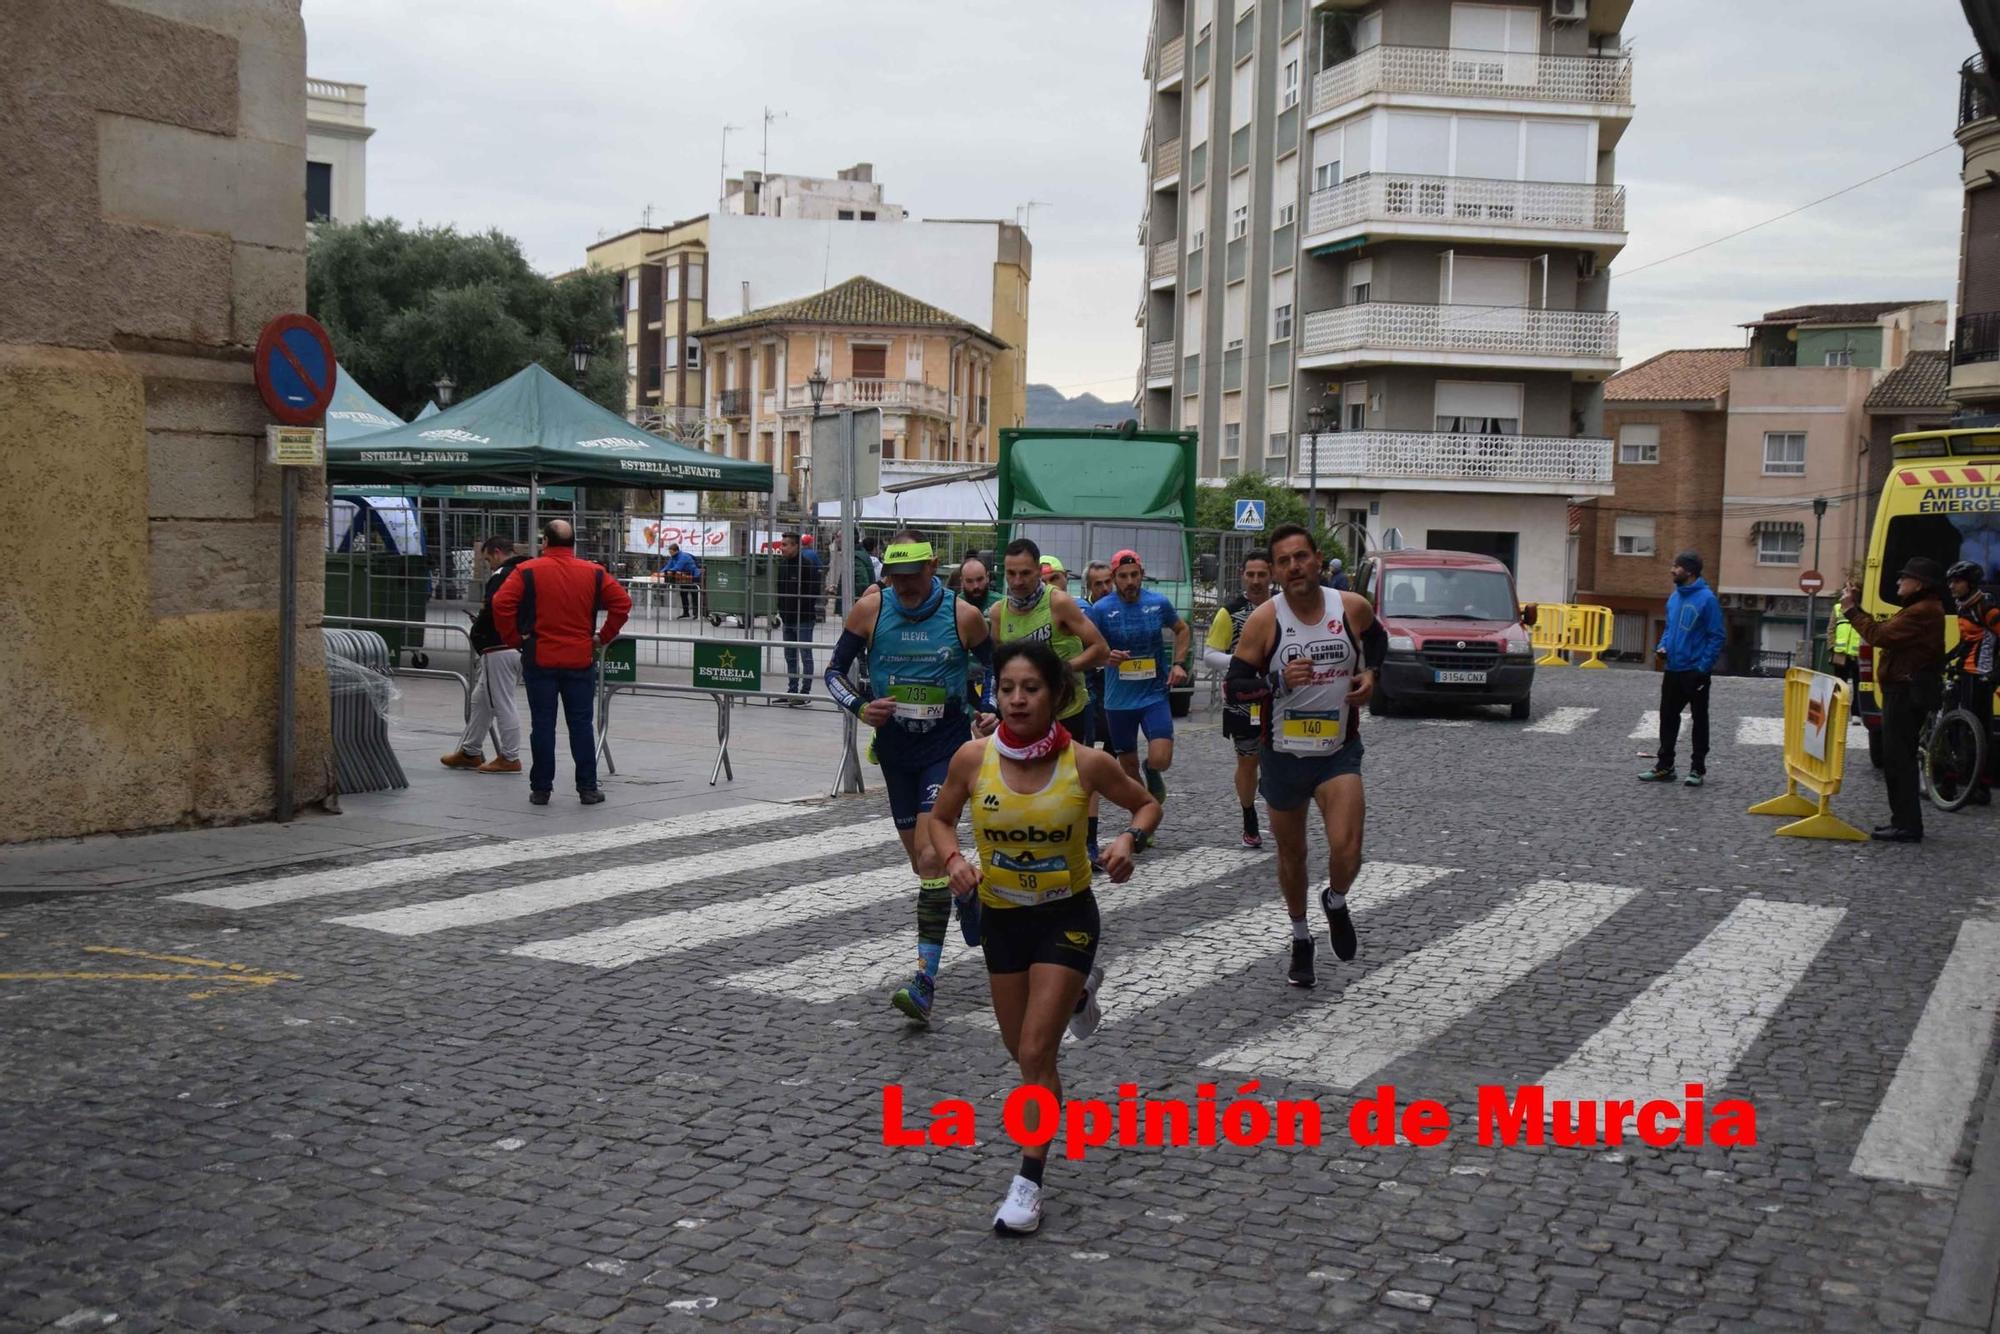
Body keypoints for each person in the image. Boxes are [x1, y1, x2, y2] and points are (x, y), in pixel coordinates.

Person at [923, 640, 1161, 1236]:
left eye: (1031, 688)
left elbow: (1146, 803)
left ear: (1055, 695)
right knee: (1025, 1053)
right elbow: (940, 818)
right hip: (1002, 919)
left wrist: (1128, 839)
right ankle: (1079, 997)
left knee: (1034, 1053)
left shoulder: (1086, 762)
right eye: (1007, 689)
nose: (1018, 699)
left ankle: (1028, 1182)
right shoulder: (972, 759)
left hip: (1067, 916)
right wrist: (952, 859)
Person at [824, 532, 997, 1022]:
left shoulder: (963, 615)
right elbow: (833, 672)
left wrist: (987, 710)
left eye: (912, 578)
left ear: (932, 568)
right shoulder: (870, 609)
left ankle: (924, 980)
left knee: (928, 855)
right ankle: (968, 893)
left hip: (946, 747)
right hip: (897, 750)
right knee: (926, 866)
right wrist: (860, 706)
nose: (904, 588)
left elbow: (995, 669)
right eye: (896, 579)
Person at [1224, 524, 1383, 987]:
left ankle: (1335, 899)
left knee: (1347, 847)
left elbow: (1378, 640)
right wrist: (1278, 683)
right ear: (1274, 571)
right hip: (1283, 754)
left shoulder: (1350, 607)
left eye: (1301, 557)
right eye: (1284, 561)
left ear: (1317, 559)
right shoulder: (1265, 621)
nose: (1294, 567)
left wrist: (1371, 674)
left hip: (1338, 752)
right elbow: (1235, 686)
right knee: (1293, 855)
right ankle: (1299, 936)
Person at [491, 520, 631, 806]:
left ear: (545, 542)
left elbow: (500, 603)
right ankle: (587, 788)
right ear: (574, 544)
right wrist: (602, 636)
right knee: (581, 724)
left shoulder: (526, 571)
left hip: (540, 656)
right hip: (579, 658)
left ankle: (541, 789)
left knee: (542, 724)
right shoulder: (594, 572)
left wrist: (515, 637)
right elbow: (622, 603)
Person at [991, 538, 1110, 861]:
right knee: (1021, 782)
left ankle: (1085, 841)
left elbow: (1100, 649)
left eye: (1025, 574)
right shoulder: (999, 612)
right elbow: (997, 668)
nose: (1017, 581)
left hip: (1067, 710)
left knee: (1071, 784)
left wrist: (1061, 671)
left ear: (1039, 573)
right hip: (1023, 717)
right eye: (1011, 574)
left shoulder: (1059, 603)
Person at [1840, 557, 1948, 843]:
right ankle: (1902, 821)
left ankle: (1907, 825)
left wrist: (1851, 611)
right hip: (1903, 688)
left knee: (1898, 758)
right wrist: (1858, 607)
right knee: (1897, 757)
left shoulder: (1922, 611)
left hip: (1905, 691)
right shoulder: (1920, 608)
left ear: (1920, 584)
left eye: (1905, 577)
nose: (1899, 581)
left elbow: (1879, 635)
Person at [1090, 549, 1189, 835]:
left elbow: (1182, 630)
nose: (1130, 581)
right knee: (1128, 767)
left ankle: (1153, 770)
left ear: (1142, 575)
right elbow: (1090, 647)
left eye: (1134, 575)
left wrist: (1179, 663)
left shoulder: (1158, 603)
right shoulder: (1101, 609)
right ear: (1114, 578)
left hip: (1153, 694)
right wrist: (1106, 656)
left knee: (1161, 757)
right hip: (1119, 700)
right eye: (1123, 577)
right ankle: (1143, 818)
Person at [1203, 548, 1276, 848]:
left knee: (1278, 763)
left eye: (1262, 574)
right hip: (1244, 699)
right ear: (1242, 575)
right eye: (1251, 574)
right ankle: (1249, 817)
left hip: (1281, 699)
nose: (1256, 580)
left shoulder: (1285, 607)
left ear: (1271, 574)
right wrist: (1242, 664)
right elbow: (1209, 655)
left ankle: (1279, 810)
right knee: (1248, 762)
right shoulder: (1229, 612)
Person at [441, 536, 528, 775]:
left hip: (498, 646)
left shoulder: (502, 576)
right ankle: (470, 750)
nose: (488, 564)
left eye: (488, 559)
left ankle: (510, 757)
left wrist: (480, 629)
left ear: (497, 552)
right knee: (481, 699)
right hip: (516, 645)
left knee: (502, 702)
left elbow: (495, 607)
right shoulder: (528, 571)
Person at [1638, 552, 1726, 788]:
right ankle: (1665, 766)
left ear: (1690, 571)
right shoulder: (1674, 597)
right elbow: (1669, 628)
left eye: (1676, 567)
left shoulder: (1707, 599)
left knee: (1699, 720)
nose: (1672, 570)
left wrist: (1703, 667)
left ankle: (1697, 769)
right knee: (1667, 717)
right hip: (1673, 669)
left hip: (1694, 671)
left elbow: (1716, 636)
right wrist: (1662, 646)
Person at [1947, 560, 2000, 798]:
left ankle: (1981, 786)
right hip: (1965, 672)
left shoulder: (1986, 607)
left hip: (1981, 676)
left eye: (1956, 581)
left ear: (1969, 583)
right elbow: (1968, 640)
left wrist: (1994, 675)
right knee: (1959, 727)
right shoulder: (1963, 605)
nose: (1951, 586)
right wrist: (1946, 659)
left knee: (1980, 731)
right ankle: (1963, 778)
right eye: (1950, 581)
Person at [774, 532, 825, 703]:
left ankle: (805, 692)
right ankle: (792, 689)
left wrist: (800, 609)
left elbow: (813, 592)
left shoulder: (807, 566)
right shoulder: (782, 565)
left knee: (805, 654)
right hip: (787, 618)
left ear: (796, 546)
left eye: (785, 545)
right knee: (790, 655)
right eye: (782, 544)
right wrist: (781, 610)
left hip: (803, 618)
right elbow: (779, 589)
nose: (782, 548)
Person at [1829, 601, 1862, 692]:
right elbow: (1831, 629)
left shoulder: (1864, 607)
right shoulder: (1838, 607)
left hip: (1858, 654)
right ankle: (1838, 706)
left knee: (1858, 686)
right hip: (1841, 653)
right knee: (1839, 685)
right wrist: (1832, 647)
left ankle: (1856, 706)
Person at [663, 543, 702, 619]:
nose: (670, 554)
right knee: (683, 594)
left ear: (676, 551)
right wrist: (661, 572)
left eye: (671, 552)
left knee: (694, 595)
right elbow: (668, 566)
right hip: (684, 577)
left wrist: (669, 571)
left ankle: (696, 613)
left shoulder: (683, 557)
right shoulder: (673, 557)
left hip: (693, 576)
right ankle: (686, 612)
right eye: (669, 552)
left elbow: (678, 566)